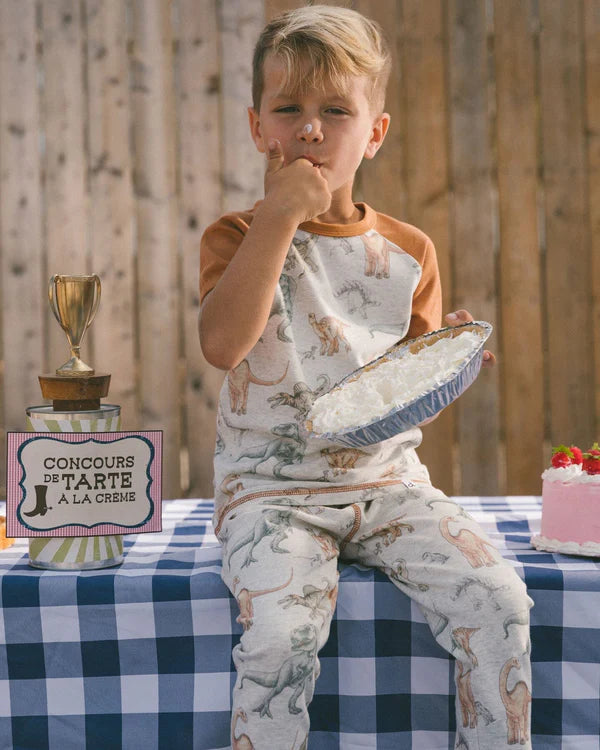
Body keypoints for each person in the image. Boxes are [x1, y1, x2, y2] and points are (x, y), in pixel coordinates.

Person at [199, 6, 533, 748]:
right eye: (289, 109)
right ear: (260, 130)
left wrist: (446, 363)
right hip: (270, 492)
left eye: (335, 110)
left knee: (499, 598)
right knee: (281, 638)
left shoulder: (410, 251)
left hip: (388, 486)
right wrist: (280, 217)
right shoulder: (235, 237)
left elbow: (392, 396)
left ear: (373, 134)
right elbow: (224, 347)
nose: (310, 129)